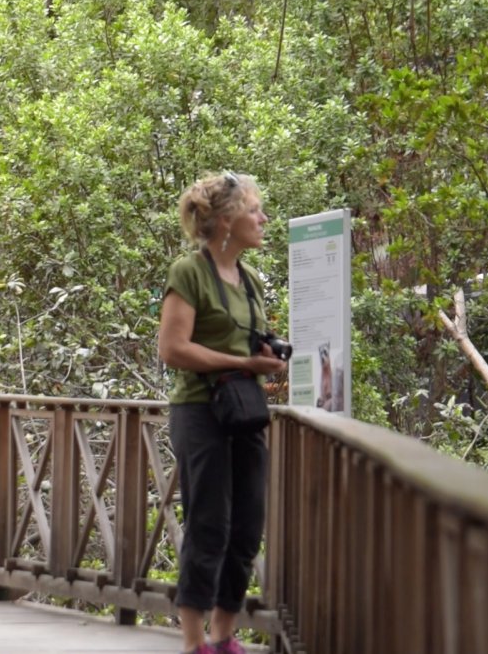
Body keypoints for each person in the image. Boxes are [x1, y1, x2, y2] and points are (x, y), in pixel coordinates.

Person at [157, 172, 286, 654]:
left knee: (248, 525)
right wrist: (242, 363)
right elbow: (172, 349)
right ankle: (194, 643)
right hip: (200, 410)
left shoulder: (250, 280)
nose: (263, 219)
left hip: (244, 412)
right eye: (256, 210)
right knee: (209, 524)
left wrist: (265, 358)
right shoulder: (189, 272)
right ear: (228, 220)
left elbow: (249, 342)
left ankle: (223, 634)